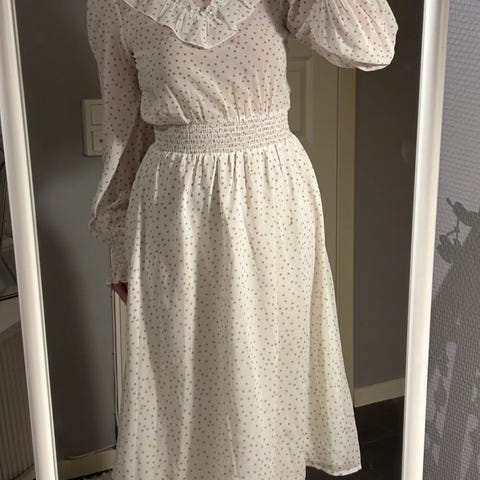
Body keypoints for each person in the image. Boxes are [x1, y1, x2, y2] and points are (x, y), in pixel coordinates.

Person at [86, 0, 399, 478]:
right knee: (182, 375)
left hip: (270, 202)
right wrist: (120, 245)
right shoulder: (116, 6)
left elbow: (372, 46)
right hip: (176, 211)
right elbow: (123, 130)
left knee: (268, 368)